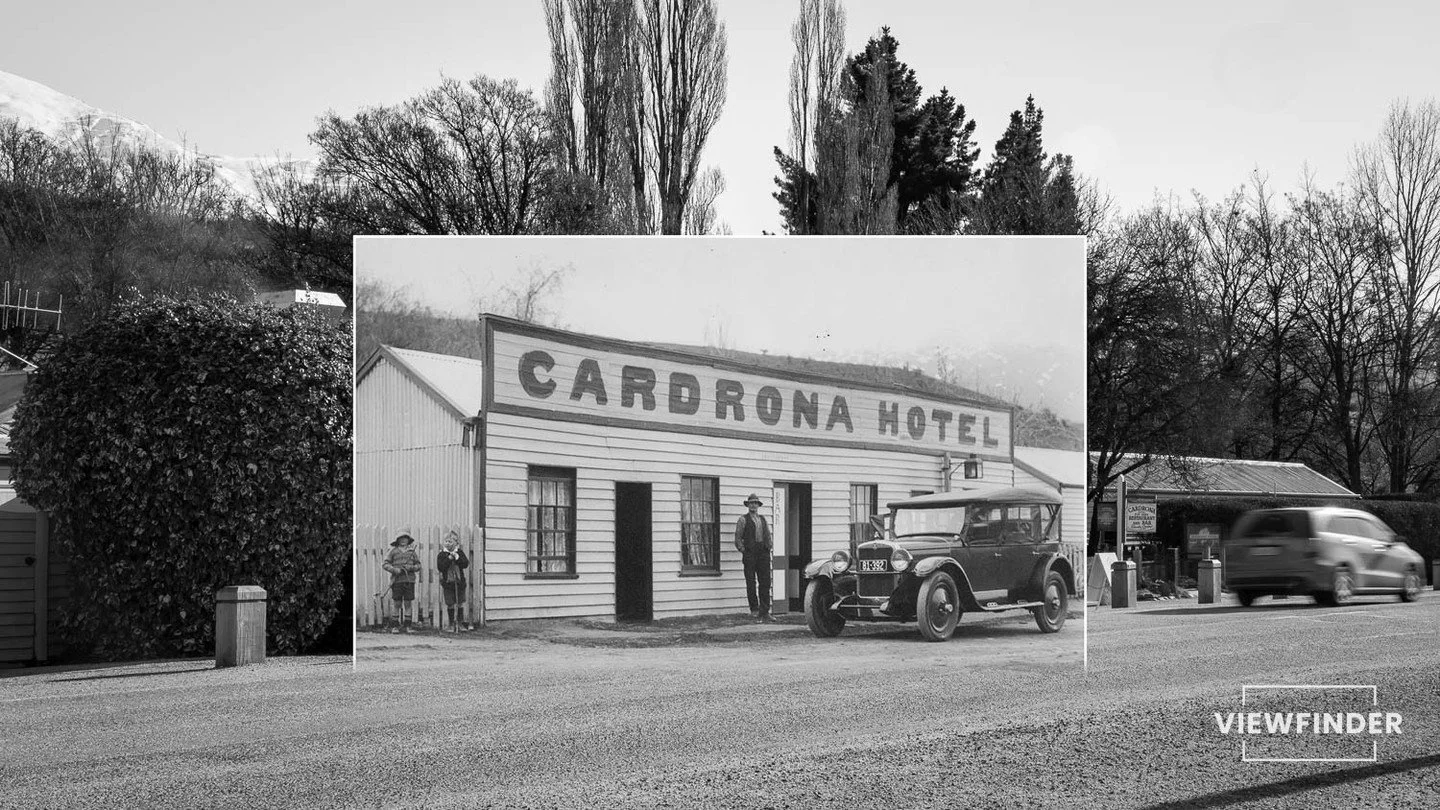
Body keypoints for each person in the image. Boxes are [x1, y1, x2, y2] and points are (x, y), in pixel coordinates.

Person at [733, 493, 775, 623]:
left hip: (763, 553)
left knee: (765, 582)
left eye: (756, 503)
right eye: (751, 503)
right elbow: (738, 538)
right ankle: (755, 610)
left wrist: (769, 547)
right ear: (748, 505)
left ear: (758, 505)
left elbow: (768, 535)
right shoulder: (743, 520)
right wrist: (743, 550)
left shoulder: (763, 519)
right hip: (750, 554)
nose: (753, 505)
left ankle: (765, 611)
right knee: (751, 582)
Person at [383, 533, 422, 633]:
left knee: (408, 603)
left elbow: (418, 565)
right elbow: (385, 564)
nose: (403, 540)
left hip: (409, 581)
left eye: (406, 538)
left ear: (409, 540)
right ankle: (395, 626)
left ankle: (408, 626)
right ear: (397, 540)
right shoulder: (393, 551)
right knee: (397, 603)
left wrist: (411, 568)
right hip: (397, 582)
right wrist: (394, 570)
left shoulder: (412, 552)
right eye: (401, 538)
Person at [436, 530, 472, 632]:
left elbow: (465, 564)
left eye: (450, 541)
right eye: (446, 541)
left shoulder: (459, 552)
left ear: (456, 543)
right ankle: (451, 624)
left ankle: (460, 623)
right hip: (448, 583)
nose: (448, 543)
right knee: (450, 603)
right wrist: (449, 559)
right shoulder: (442, 554)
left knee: (460, 602)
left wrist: (456, 558)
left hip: (459, 582)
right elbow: (440, 567)